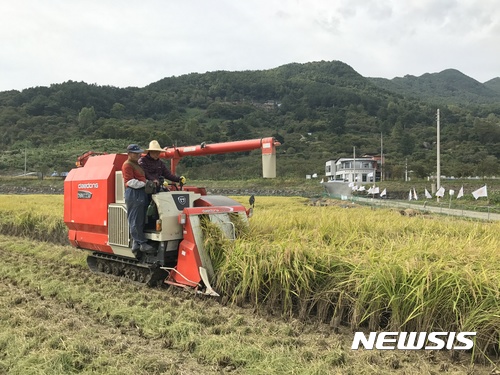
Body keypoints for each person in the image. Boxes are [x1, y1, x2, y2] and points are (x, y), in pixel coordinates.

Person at [122, 144, 155, 255]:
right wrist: (146, 183)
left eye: (138, 153)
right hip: (133, 192)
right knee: (135, 219)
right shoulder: (127, 165)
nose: (138, 155)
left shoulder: (136, 164)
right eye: (135, 153)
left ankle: (136, 244)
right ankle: (141, 243)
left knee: (140, 218)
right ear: (129, 154)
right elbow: (130, 182)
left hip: (140, 192)